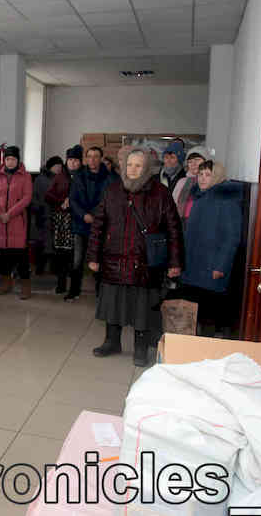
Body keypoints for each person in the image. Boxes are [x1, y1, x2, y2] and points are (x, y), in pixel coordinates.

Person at [87, 150, 183, 367]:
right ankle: (112, 342)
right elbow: (98, 225)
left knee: (142, 309)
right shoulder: (112, 190)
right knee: (113, 306)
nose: (132, 169)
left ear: (147, 168)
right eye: (129, 165)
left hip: (145, 263)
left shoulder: (161, 193)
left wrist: (175, 262)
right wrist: (93, 256)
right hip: (114, 260)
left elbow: (174, 230)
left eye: (138, 165)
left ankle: (141, 348)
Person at [179, 160, 241, 336]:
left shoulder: (226, 200)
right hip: (194, 264)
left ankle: (206, 352)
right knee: (195, 313)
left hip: (210, 267)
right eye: (200, 174)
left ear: (218, 177)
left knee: (208, 318)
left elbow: (232, 237)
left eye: (208, 175)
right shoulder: (199, 196)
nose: (203, 179)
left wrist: (221, 266)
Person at [67, 146, 116, 301]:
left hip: (101, 225)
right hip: (81, 224)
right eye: (89, 156)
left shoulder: (110, 178)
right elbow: (73, 200)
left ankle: (100, 294)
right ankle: (74, 291)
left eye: (96, 156)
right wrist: (84, 215)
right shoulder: (79, 176)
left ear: (101, 159)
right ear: (86, 159)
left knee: (99, 261)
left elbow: (110, 202)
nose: (92, 159)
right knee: (77, 260)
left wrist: (95, 216)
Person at [0, 145, 33, 299]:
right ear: (4, 160)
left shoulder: (25, 176)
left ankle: (26, 286)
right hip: (0, 222)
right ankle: (6, 283)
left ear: (18, 160)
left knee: (21, 256)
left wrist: (10, 213)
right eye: (7, 159)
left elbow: (27, 198)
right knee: (3, 256)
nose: (10, 162)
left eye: (13, 159)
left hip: (17, 222)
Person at [45, 145, 82, 294]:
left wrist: (72, 201)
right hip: (61, 220)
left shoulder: (84, 176)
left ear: (80, 162)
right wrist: (61, 200)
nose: (73, 163)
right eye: (70, 160)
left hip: (78, 219)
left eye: (76, 160)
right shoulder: (60, 176)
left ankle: (75, 288)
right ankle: (61, 285)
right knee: (61, 254)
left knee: (76, 256)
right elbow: (48, 195)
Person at [30, 156, 64, 275]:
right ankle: (40, 268)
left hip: (57, 215)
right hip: (43, 215)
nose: (58, 168)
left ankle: (54, 269)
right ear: (50, 167)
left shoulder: (63, 179)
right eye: (56, 166)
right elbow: (34, 197)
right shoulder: (40, 179)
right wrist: (38, 209)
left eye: (60, 166)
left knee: (55, 244)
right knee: (42, 243)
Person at [173, 146, 211, 228]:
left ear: (206, 161)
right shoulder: (182, 182)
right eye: (190, 161)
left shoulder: (212, 181)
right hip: (182, 224)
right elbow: (173, 205)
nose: (193, 164)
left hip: (204, 224)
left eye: (197, 160)